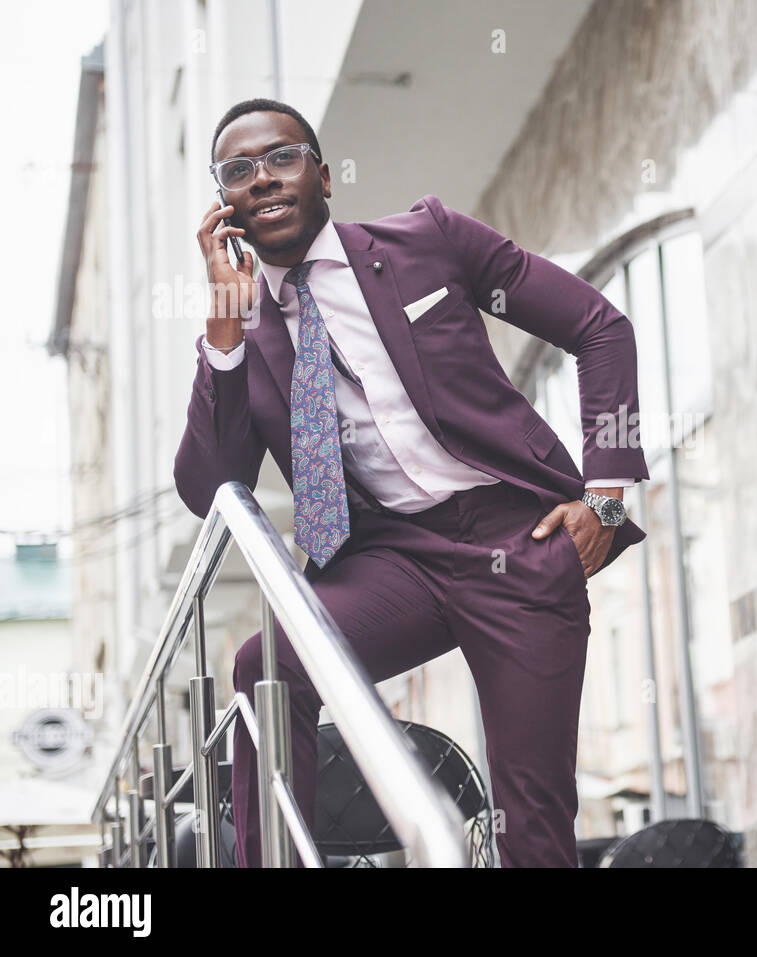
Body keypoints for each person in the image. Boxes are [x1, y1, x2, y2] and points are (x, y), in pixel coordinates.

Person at [173, 97, 650, 868]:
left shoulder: (428, 240)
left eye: (281, 157)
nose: (261, 179)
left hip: (516, 542)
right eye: (239, 170)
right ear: (223, 204)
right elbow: (213, 490)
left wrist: (605, 494)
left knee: (533, 817)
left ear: (323, 175)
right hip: (390, 561)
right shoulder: (249, 332)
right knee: (267, 661)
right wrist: (223, 332)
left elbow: (599, 327)